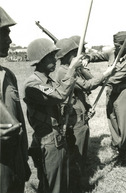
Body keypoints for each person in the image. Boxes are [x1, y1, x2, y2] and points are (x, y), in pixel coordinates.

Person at [23, 38, 82, 193]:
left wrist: (64, 111)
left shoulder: (47, 81)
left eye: (55, 55)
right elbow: (61, 95)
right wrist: (71, 71)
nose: (55, 59)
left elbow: (56, 102)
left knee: (60, 184)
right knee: (54, 187)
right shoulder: (33, 84)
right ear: (40, 60)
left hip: (56, 138)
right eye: (51, 56)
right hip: (48, 141)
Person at [55, 37, 115, 192]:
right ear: (68, 56)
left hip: (81, 118)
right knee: (77, 158)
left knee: (81, 156)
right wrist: (105, 73)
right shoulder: (64, 71)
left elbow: (80, 94)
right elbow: (88, 85)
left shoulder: (71, 69)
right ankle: (78, 187)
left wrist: (88, 107)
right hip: (75, 123)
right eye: (76, 53)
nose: (79, 56)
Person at [85, 31, 126, 165]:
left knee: (123, 124)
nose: (115, 47)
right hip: (111, 92)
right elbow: (98, 56)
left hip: (122, 93)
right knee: (111, 118)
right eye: (114, 45)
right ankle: (116, 145)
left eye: (118, 45)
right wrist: (88, 58)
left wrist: (94, 79)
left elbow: (112, 80)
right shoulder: (112, 52)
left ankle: (123, 152)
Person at [0, 7, 31, 193]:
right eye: (3, 33)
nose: (9, 40)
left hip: (13, 166)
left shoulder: (8, 75)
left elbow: (19, 124)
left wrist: (23, 160)